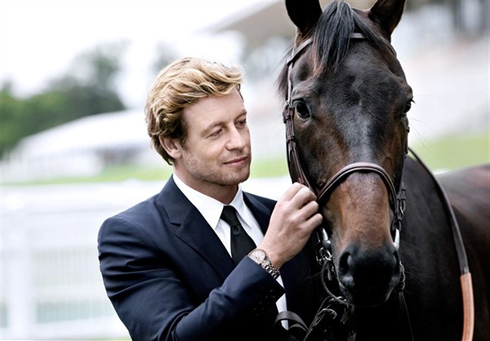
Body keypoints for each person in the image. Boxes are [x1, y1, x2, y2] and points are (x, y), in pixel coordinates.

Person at [98, 57, 323, 341]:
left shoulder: (281, 218)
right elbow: (171, 337)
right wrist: (270, 256)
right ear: (172, 144)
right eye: (216, 132)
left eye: (241, 123)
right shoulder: (131, 236)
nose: (239, 141)